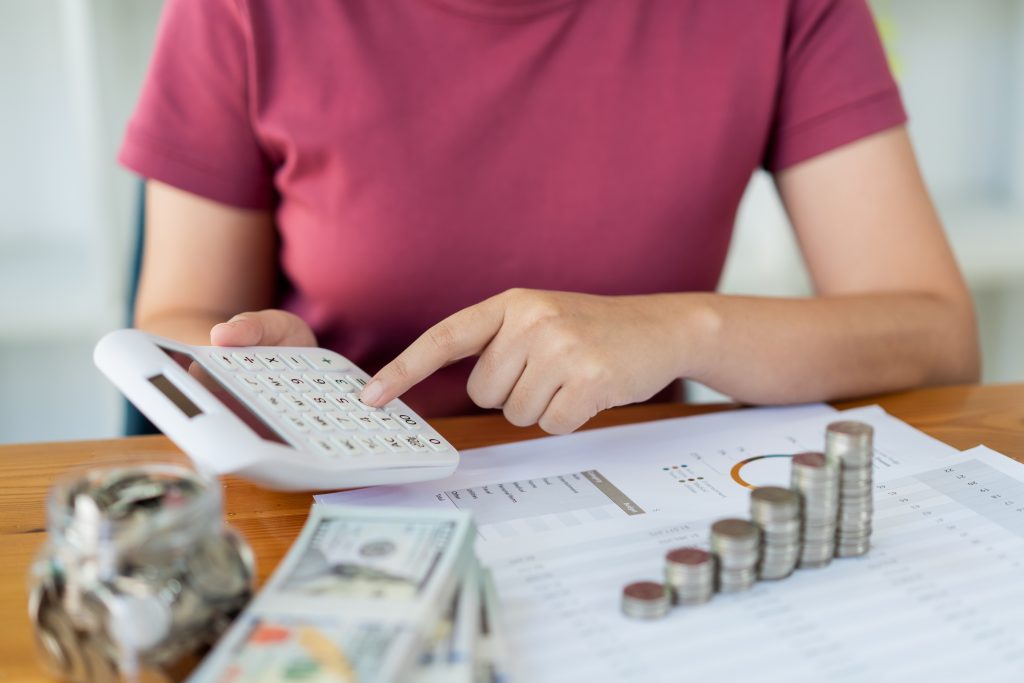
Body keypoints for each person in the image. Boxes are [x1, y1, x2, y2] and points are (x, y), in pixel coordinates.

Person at [122, 0, 979, 435]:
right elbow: (170, 318)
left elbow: (936, 335)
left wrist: (682, 329)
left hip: (632, 508)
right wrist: (272, 382)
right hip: (327, 500)